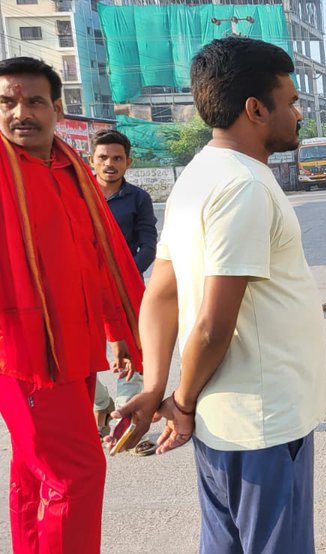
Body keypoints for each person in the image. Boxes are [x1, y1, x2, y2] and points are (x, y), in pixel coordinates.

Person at [114, 37, 326, 553]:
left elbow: (160, 294)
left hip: (225, 424)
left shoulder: (197, 176)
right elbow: (212, 323)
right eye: (291, 100)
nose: (298, 113)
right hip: (261, 423)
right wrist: (180, 402)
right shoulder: (244, 185)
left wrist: (157, 384)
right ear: (256, 109)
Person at [0, 56, 144, 554]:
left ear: (57, 108)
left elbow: (96, 259)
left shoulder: (70, 168)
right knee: (77, 472)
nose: (21, 112)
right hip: (24, 354)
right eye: (7, 102)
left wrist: (118, 329)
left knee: (35, 473)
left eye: (34, 101)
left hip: (73, 348)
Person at [89, 129, 158, 456]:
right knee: (78, 357)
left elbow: (148, 245)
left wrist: (123, 273)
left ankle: (127, 426)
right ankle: (101, 403)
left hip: (127, 292)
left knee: (131, 358)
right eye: (103, 157)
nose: (110, 164)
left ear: (128, 162)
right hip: (82, 290)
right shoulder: (79, 197)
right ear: (92, 161)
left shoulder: (138, 199)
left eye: (117, 158)